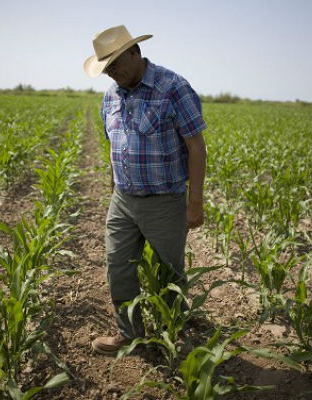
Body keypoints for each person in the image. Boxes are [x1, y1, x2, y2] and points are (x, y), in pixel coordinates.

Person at [83, 25, 207, 356]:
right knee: (117, 265)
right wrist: (113, 191)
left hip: (164, 200)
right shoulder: (110, 95)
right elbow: (115, 147)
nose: (113, 73)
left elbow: (196, 146)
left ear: (135, 53)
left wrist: (194, 202)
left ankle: (172, 336)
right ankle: (129, 334)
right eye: (107, 69)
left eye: (117, 65)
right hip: (123, 200)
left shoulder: (173, 87)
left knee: (169, 271)